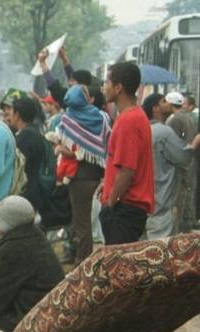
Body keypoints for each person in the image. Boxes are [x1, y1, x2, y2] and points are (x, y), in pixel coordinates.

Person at [0, 196, 64, 332]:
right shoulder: (33, 236)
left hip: (33, 318)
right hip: (47, 311)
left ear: (6, 224)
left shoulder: (14, 249)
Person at [100, 62, 155, 246]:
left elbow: (127, 171)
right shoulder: (133, 115)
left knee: (119, 271)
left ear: (118, 87)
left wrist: (110, 202)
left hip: (125, 209)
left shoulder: (129, 120)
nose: (104, 87)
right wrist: (106, 184)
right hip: (127, 206)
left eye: (107, 82)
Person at [56, 84, 110, 262]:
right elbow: (105, 145)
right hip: (99, 175)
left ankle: (83, 260)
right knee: (97, 219)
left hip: (78, 178)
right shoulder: (101, 117)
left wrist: (62, 149)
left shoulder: (67, 120)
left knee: (82, 222)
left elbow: (66, 147)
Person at [142, 93, 200, 239]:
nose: (167, 103)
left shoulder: (145, 130)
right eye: (163, 101)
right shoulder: (163, 132)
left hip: (146, 201)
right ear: (155, 108)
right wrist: (195, 143)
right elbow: (183, 156)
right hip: (162, 202)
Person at [9, 96, 51, 216]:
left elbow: (21, 168)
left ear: (17, 115)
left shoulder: (25, 138)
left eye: (11, 111)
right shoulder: (35, 133)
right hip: (36, 191)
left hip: (27, 192)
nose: (9, 115)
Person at [166, 92, 198, 231]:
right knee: (187, 193)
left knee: (177, 197)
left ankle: (177, 229)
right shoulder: (189, 118)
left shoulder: (174, 119)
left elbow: (171, 143)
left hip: (178, 163)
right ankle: (186, 225)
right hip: (189, 161)